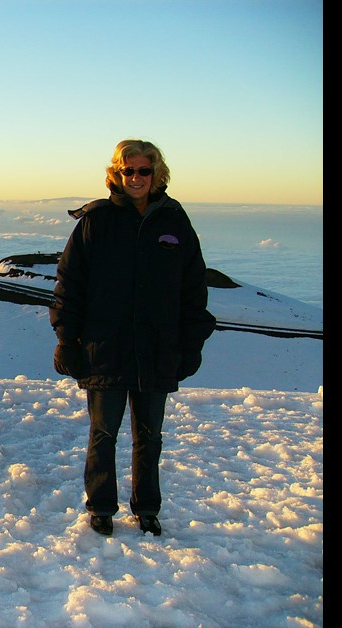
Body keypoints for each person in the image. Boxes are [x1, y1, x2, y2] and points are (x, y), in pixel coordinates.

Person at [49, 139, 216, 537]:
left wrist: (191, 344)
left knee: (149, 435)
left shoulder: (174, 220)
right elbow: (69, 284)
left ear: (157, 174)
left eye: (144, 171)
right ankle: (102, 506)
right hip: (105, 346)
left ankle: (147, 509)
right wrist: (66, 339)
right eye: (129, 171)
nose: (137, 178)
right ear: (117, 173)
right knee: (103, 432)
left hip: (157, 349)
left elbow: (193, 288)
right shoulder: (97, 220)